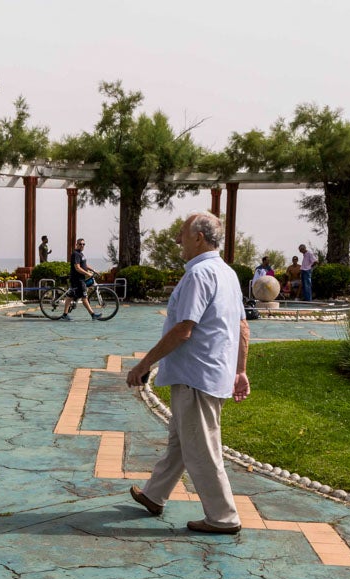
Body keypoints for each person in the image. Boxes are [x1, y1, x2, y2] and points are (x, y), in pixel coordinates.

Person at [126, 212, 251, 534]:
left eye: (182, 233)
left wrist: (144, 364)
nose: (177, 240)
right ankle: (155, 495)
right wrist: (240, 371)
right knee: (182, 441)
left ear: (198, 236)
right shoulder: (226, 273)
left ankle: (224, 518)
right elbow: (242, 327)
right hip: (213, 374)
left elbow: (184, 329)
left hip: (197, 376)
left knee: (202, 450)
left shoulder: (199, 275)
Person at [61, 237, 97, 320]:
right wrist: (88, 274)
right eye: (80, 244)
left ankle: (65, 314)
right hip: (77, 279)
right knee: (84, 297)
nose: (82, 245)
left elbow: (84, 265)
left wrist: (93, 270)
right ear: (76, 244)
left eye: (84, 244)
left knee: (70, 296)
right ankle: (93, 315)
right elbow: (77, 268)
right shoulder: (76, 254)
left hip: (80, 279)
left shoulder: (81, 254)